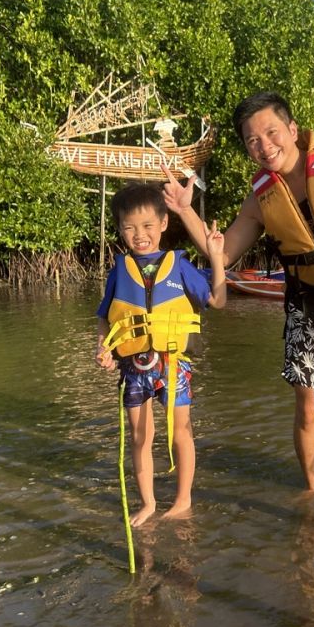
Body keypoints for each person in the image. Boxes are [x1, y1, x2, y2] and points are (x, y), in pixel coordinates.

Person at [161, 91, 314, 492]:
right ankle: (312, 494)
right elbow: (222, 254)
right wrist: (184, 210)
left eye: (272, 132)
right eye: (252, 140)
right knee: (308, 405)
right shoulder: (261, 195)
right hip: (307, 301)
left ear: (293, 130)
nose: (264, 145)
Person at [95, 182, 227, 527]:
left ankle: (183, 500)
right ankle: (148, 503)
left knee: (181, 431)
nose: (139, 235)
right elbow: (104, 316)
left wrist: (215, 257)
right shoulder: (119, 270)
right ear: (120, 229)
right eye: (129, 228)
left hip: (173, 365)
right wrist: (103, 347)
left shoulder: (179, 265)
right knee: (140, 437)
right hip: (133, 368)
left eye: (147, 226)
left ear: (164, 223)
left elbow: (218, 300)